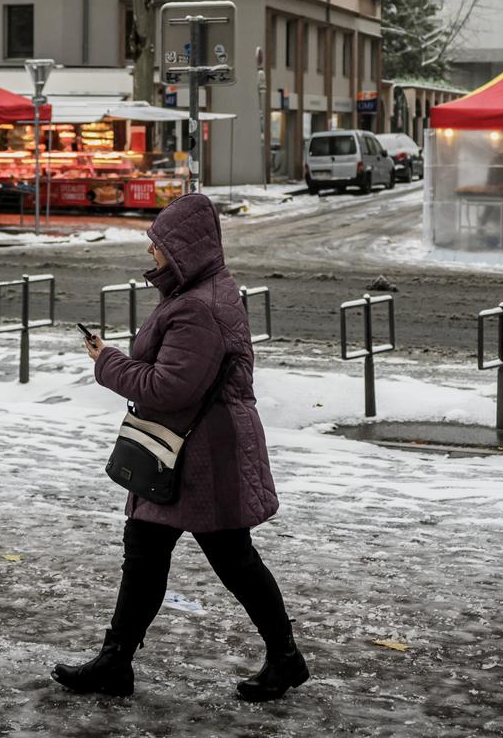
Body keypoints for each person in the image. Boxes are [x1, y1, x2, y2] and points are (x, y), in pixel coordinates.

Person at [54, 192, 307, 701]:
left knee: (233, 560)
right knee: (145, 553)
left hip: (204, 456)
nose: (151, 253)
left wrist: (108, 362)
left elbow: (169, 388)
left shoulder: (197, 307)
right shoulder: (196, 292)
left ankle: (284, 657)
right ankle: (116, 661)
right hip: (187, 453)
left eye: (158, 245)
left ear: (183, 249)